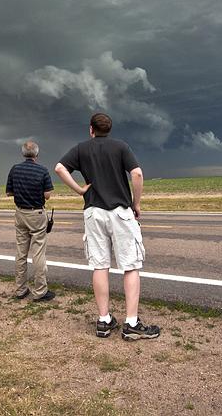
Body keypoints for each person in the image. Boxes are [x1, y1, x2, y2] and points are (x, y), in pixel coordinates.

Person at [55, 113, 160, 341]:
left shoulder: (81, 148)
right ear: (109, 129)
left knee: (99, 265)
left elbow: (60, 168)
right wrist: (136, 203)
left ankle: (104, 320)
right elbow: (137, 173)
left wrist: (79, 190)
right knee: (130, 265)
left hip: (93, 212)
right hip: (120, 212)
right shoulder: (120, 146)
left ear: (91, 129)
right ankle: (131, 322)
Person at [6, 140, 55, 301]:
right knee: (38, 252)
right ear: (37, 154)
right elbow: (47, 195)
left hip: (20, 213)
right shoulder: (42, 170)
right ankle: (40, 290)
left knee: (21, 253)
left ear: (23, 153)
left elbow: (9, 193)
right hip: (36, 213)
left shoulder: (15, 169)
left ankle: (20, 289)